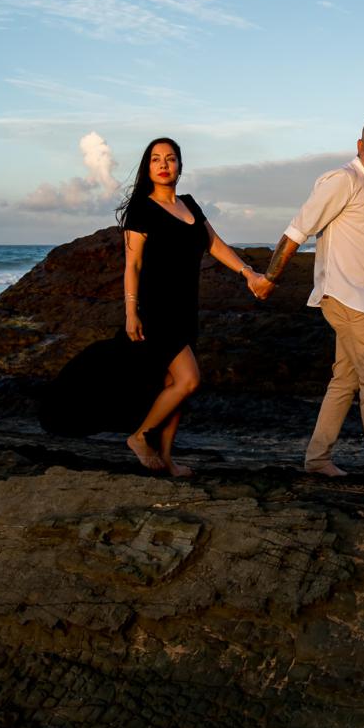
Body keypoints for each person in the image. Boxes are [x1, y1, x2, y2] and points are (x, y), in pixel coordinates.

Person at [252, 117, 364, 481]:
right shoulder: (342, 181)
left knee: (345, 379)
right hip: (341, 296)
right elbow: (298, 228)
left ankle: (317, 458)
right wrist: (269, 279)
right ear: (360, 145)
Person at [119, 137, 267, 476]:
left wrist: (248, 272)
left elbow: (215, 244)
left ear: (180, 166)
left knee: (177, 388)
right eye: (155, 159)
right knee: (189, 380)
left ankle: (167, 460)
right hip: (157, 309)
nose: (163, 164)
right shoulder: (142, 208)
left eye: (170, 159)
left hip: (187, 308)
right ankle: (139, 437)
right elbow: (133, 265)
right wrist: (131, 311)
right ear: (147, 167)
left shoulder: (189, 204)